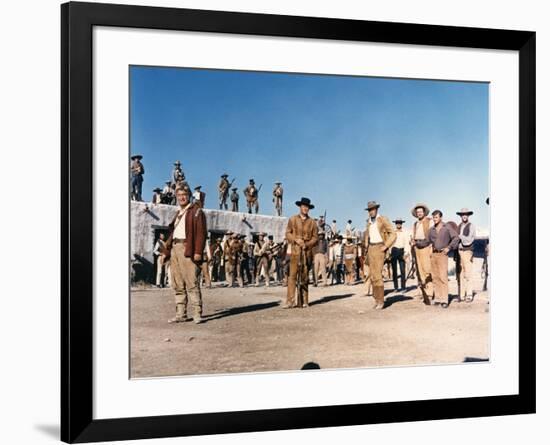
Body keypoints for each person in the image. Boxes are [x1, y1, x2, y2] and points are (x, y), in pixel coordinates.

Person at [165, 186, 207, 324]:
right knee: (177, 283)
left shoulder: (196, 211)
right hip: (175, 248)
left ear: (189, 195)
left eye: (184, 194)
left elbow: (201, 233)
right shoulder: (178, 213)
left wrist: (198, 252)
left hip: (187, 247)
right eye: (179, 195)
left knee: (191, 282)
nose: (182, 197)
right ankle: (181, 314)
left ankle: (197, 313)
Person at [284, 197, 318, 308]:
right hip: (294, 252)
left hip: (306, 253)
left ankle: (304, 301)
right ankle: (290, 301)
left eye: (307, 207)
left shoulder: (312, 222)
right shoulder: (293, 219)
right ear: (300, 207)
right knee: (292, 276)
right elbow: (288, 233)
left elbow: (315, 238)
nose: (305, 208)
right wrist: (295, 239)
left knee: (304, 277)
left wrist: (306, 244)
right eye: (303, 206)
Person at [364, 201, 396, 309]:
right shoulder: (368, 222)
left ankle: (381, 301)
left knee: (377, 275)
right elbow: (367, 236)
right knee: (372, 276)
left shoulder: (382, 219)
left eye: (372, 209)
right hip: (371, 248)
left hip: (379, 248)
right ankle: (376, 299)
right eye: (369, 210)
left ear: (376, 209)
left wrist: (386, 245)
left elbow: (393, 233)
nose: (371, 212)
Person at [428, 210, 459, 308]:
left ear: (440, 217)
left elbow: (456, 238)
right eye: (433, 217)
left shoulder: (447, 227)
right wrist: (416, 243)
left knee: (443, 277)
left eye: (436, 217)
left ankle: (444, 299)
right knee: (435, 277)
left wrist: (449, 247)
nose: (434, 219)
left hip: (442, 255)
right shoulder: (431, 230)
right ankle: (437, 298)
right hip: (433, 255)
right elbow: (426, 241)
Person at [410, 203, 434, 305]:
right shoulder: (415, 224)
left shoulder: (429, 221)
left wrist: (431, 248)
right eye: (418, 212)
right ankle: (422, 292)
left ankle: (429, 293)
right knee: (420, 272)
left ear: (424, 212)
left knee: (427, 270)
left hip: (425, 247)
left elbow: (432, 236)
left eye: (421, 211)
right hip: (417, 248)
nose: (419, 213)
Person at [456, 208, 476, 302]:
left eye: (466, 214)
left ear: (468, 216)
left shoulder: (471, 226)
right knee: (461, 273)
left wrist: (460, 236)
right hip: (460, 251)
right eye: (462, 214)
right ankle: (461, 295)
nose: (464, 216)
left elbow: (469, 240)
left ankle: (469, 294)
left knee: (468, 273)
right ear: (460, 216)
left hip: (467, 251)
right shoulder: (459, 226)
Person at [391, 218, 411, 291]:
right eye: (397, 223)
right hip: (394, 250)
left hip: (401, 251)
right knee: (394, 270)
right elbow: (390, 242)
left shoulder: (404, 232)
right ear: (395, 224)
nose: (398, 224)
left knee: (403, 270)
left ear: (401, 224)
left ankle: (403, 287)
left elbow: (406, 242)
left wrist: (406, 252)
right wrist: (390, 252)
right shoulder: (392, 232)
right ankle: (396, 287)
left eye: (399, 223)